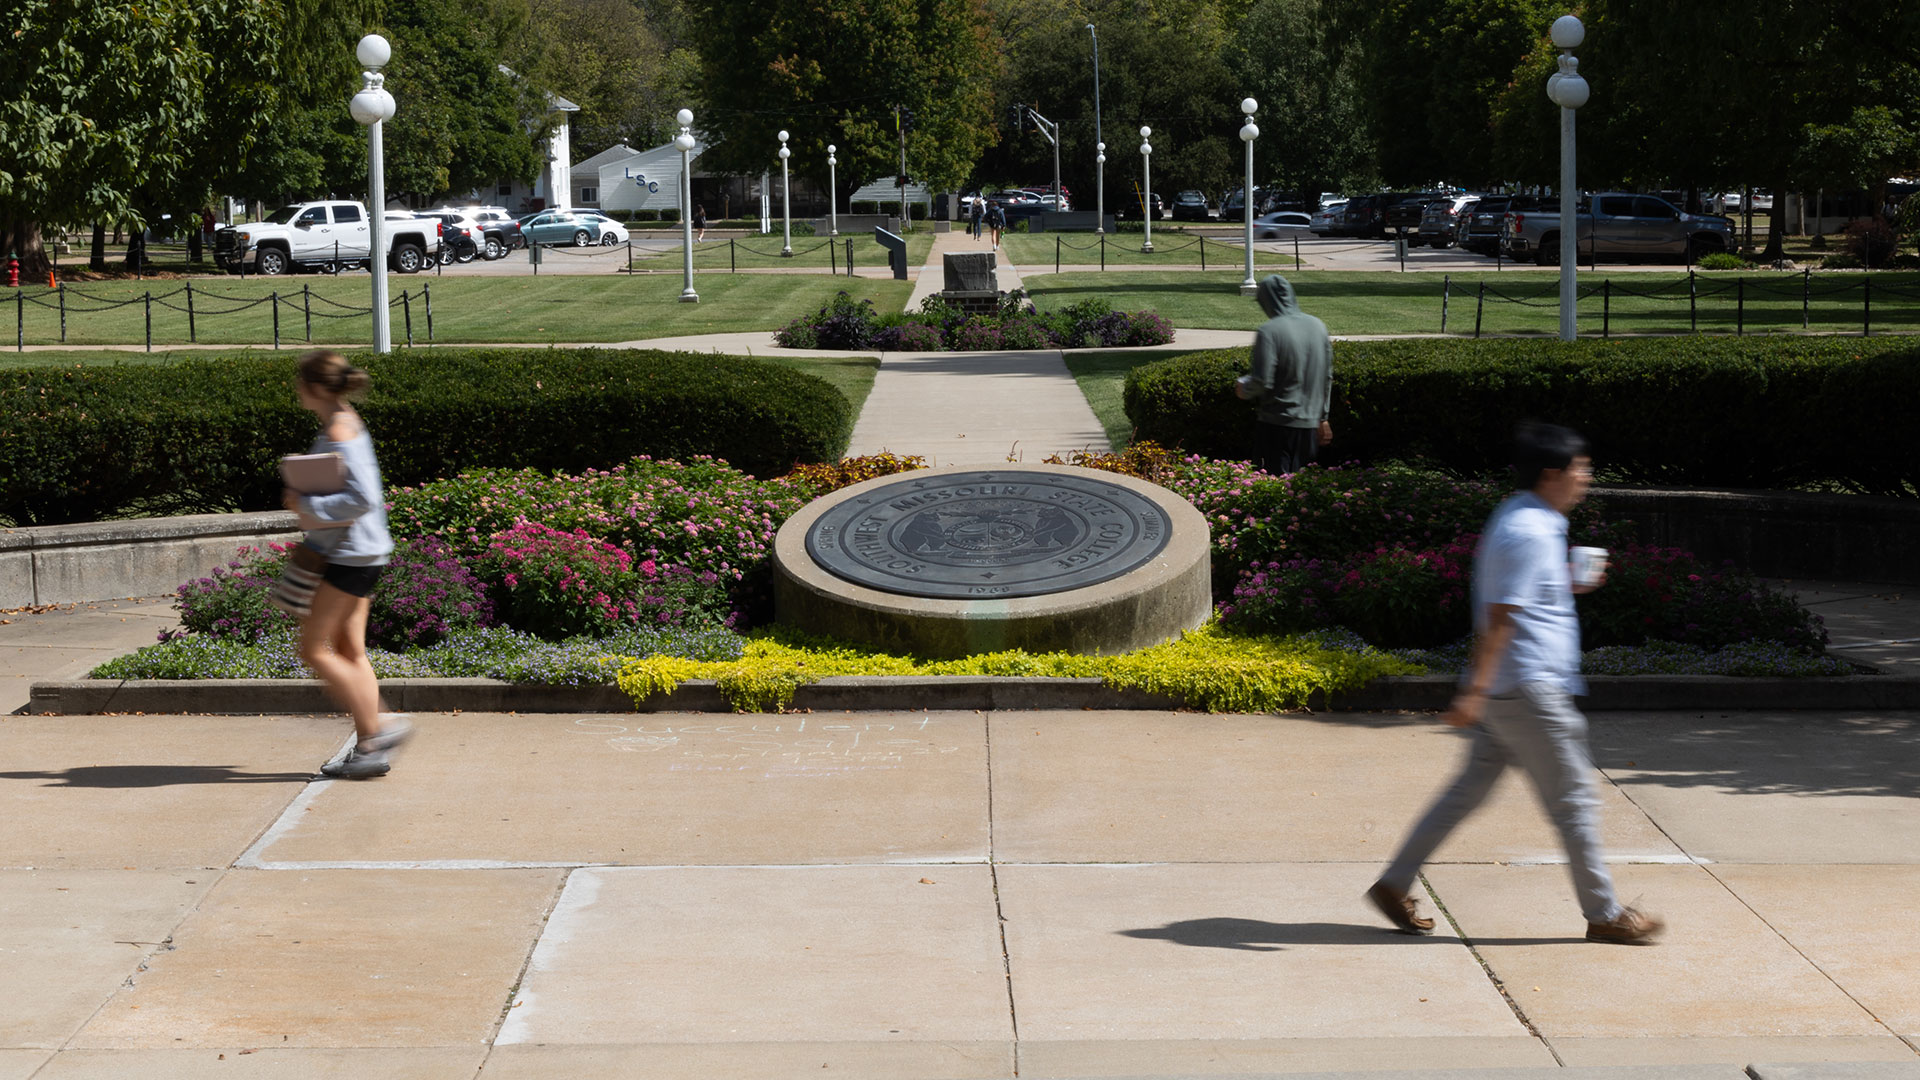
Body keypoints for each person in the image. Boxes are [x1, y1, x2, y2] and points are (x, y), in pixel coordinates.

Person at [1365, 421, 1663, 946]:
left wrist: (1568, 583)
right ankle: (1605, 913)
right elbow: (1501, 616)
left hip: (1513, 690)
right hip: (1530, 690)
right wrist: (1474, 692)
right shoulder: (1529, 530)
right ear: (1553, 474)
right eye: (1580, 470)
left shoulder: (1527, 517)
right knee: (1574, 800)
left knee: (1463, 795)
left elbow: (1519, 599)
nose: (1586, 479)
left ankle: (1394, 884)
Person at [284, 350, 409, 780]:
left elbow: (362, 498)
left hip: (351, 555)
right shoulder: (343, 421)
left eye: (301, 383)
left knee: (312, 649)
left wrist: (306, 503)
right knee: (350, 650)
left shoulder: (340, 429)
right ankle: (369, 748)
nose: (297, 390)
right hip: (359, 552)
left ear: (316, 388)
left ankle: (383, 727)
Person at [1237, 275, 1332, 474]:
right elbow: (1326, 377)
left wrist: (1243, 388)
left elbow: (1263, 380)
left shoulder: (1269, 331)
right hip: (1309, 425)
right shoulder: (1318, 326)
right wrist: (1323, 418)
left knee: (1273, 488)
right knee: (1302, 490)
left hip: (1276, 424)